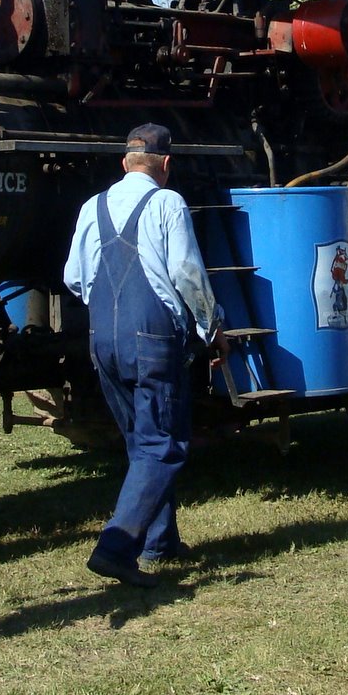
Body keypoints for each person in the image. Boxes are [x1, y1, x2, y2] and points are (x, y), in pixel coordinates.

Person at [64, 123, 228, 588]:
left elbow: (74, 277)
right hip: (153, 337)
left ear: (124, 163)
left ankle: (159, 541)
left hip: (103, 338)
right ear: (166, 164)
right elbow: (186, 272)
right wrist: (212, 327)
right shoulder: (167, 203)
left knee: (141, 442)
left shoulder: (92, 206)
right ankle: (115, 550)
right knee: (162, 445)